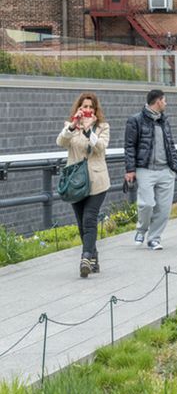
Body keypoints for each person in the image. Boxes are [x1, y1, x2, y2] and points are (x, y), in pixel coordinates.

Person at [57, 92, 110, 277]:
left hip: (97, 181)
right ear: (79, 108)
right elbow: (60, 142)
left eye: (90, 107)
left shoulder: (102, 127)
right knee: (81, 224)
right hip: (76, 182)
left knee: (89, 219)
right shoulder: (71, 127)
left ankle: (85, 257)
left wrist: (89, 130)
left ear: (95, 110)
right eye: (84, 106)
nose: (87, 110)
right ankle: (93, 256)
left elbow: (101, 147)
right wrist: (73, 125)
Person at [124, 88, 177, 251]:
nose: (166, 104)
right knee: (146, 204)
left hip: (166, 170)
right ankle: (141, 229)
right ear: (158, 101)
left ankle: (154, 238)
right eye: (165, 100)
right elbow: (129, 146)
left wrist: (174, 166)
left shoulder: (164, 120)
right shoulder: (135, 120)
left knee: (164, 209)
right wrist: (130, 169)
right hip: (145, 169)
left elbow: (170, 143)